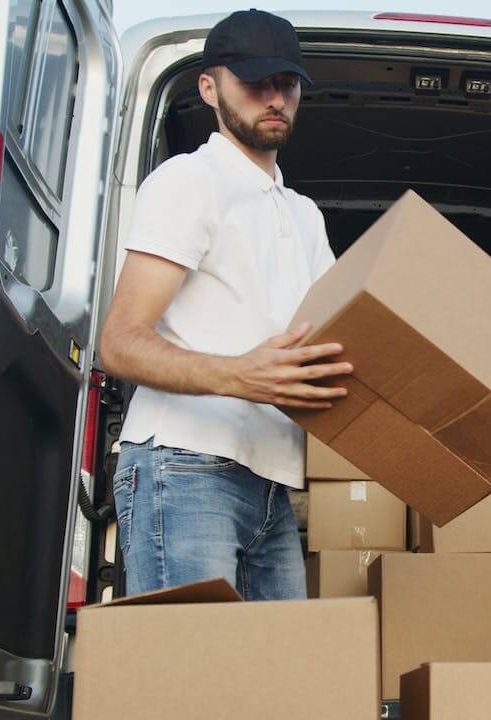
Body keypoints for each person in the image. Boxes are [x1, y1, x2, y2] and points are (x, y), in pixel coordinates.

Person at [98, 10, 348, 599]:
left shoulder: (304, 215)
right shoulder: (191, 181)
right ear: (209, 88)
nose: (274, 98)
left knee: (273, 683)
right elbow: (118, 342)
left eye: (286, 84)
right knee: (190, 681)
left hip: (272, 484)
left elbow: (337, 339)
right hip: (184, 467)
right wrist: (241, 375)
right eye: (254, 82)